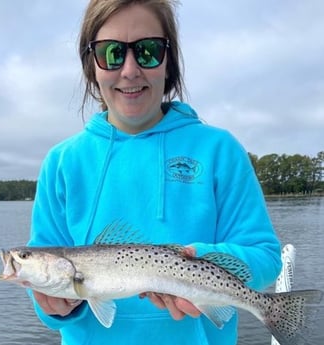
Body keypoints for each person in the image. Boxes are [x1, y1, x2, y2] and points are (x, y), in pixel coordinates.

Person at [28, 0, 282, 344]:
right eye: (112, 53)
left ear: (169, 61)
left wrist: (193, 268)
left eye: (148, 51)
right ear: (92, 65)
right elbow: (46, 297)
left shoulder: (220, 150)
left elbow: (265, 256)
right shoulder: (61, 162)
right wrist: (57, 305)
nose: (130, 70)